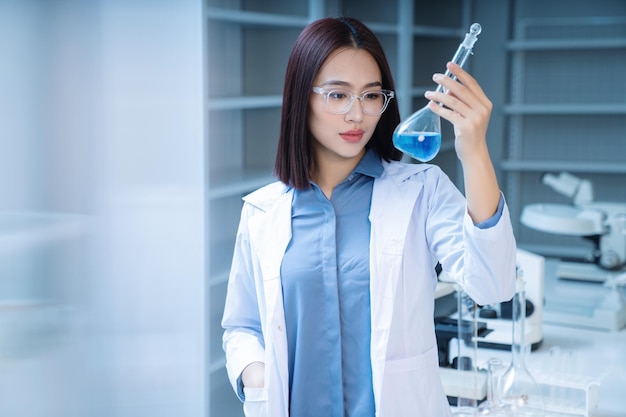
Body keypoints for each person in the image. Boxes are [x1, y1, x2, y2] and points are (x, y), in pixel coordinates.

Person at [221, 16, 517, 417]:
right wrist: (256, 377)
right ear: (300, 98)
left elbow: (493, 285)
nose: (357, 115)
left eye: (372, 96)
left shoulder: (421, 190)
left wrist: (474, 152)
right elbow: (242, 325)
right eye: (338, 96)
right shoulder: (262, 211)